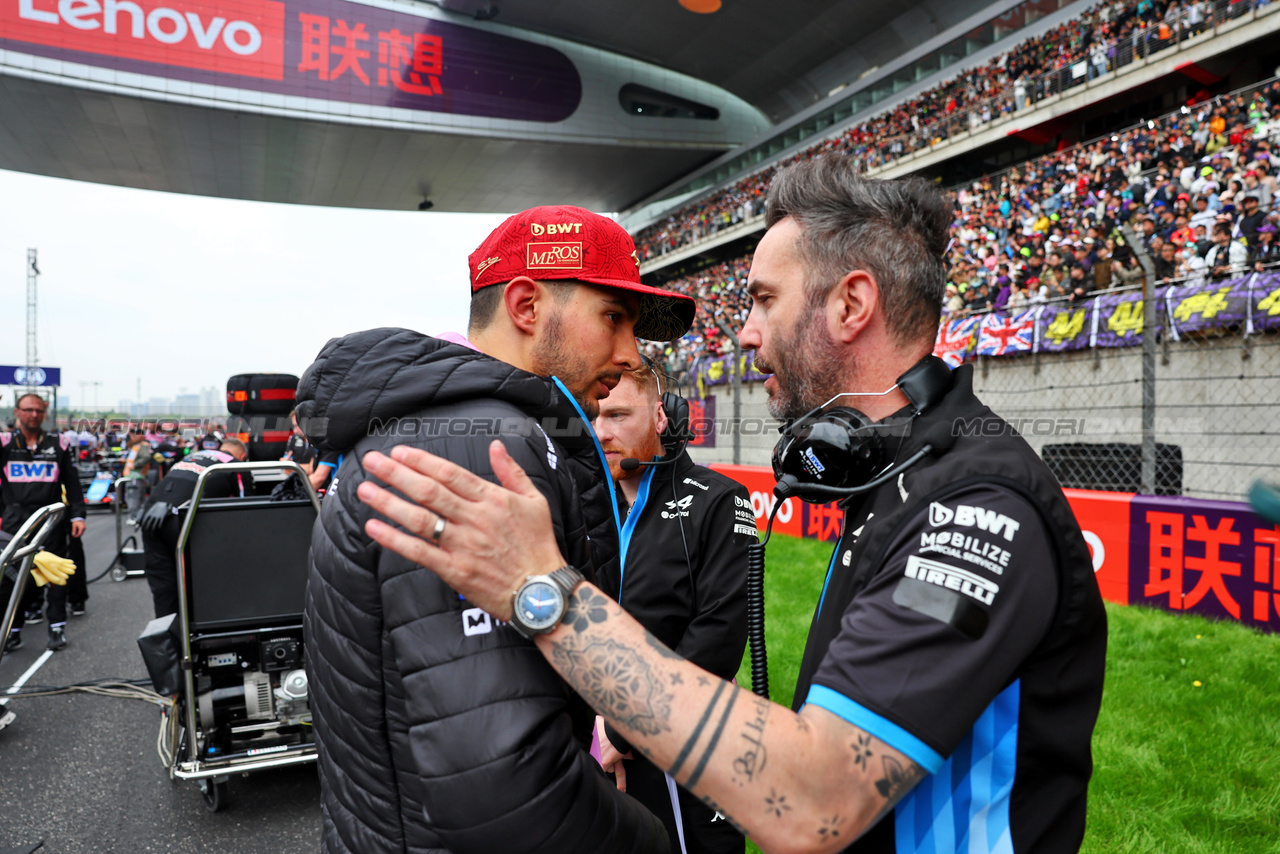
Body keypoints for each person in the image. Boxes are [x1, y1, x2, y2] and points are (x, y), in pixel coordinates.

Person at [357, 160, 1108, 854]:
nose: (745, 333)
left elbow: (816, 797)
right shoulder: (893, 475)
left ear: (851, 305)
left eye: (762, 300)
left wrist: (540, 590)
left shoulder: (976, 506)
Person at [297, 205, 696, 854]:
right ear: (526, 306)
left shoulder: (457, 425)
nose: (630, 356)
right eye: (614, 318)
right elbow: (505, 787)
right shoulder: (481, 443)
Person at [593, 364, 752, 854]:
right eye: (594, 416)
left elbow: (719, 637)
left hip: (689, 744)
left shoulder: (721, 500)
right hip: (597, 748)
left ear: (661, 416)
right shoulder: (585, 505)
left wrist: (621, 730)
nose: (603, 432)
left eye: (618, 415)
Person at [0, 394, 86, 652]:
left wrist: (78, 515)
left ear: (45, 413)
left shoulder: (59, 443)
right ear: (17, 412)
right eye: (28, 410)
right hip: (15, 520)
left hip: (50, 519)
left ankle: (57, 627)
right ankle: (12, 631)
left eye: (38, 410)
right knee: (14, 577)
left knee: (55, 573)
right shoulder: (4, 442)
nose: (33, 415)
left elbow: (71, 482)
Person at [137, 439, 251, 619]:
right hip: (181, 519)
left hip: (150, 515)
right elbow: (247, 505)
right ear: (243, 456)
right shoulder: (234, 464)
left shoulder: (192, 456)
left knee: (164, 589)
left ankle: (167, 641)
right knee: (199, 583)